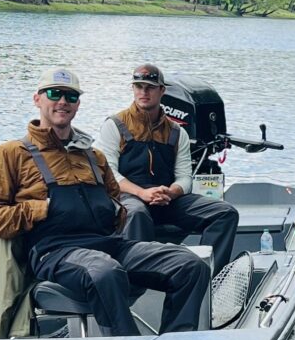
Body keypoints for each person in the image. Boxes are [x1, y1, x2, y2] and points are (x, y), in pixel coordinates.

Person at [0, 66, 208, 337]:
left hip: (109, 244)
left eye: (71, 97)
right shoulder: (9, 154)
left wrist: (114, 210)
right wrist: (43, 208)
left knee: (189, 265)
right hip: (55, 252)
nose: (63, 101)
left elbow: (116, 202)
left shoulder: (93, 156)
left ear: (77, 105)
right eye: (54, 94)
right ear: (37, 99)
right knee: (105, 272)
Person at [92, 63, 240, 276]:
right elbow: (109, 174)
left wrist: (172, 192)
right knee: (136, 213)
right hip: (127, 197)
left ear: (162, 91)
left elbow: (184, 177)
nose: (144, 92)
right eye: (139, 86)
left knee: (224, 213)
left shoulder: (177, 132)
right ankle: (137, 280)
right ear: (132, 89)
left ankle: (209, 279)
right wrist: (142, 193)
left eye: (150, 87)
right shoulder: (115, 125)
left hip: (166, 199)